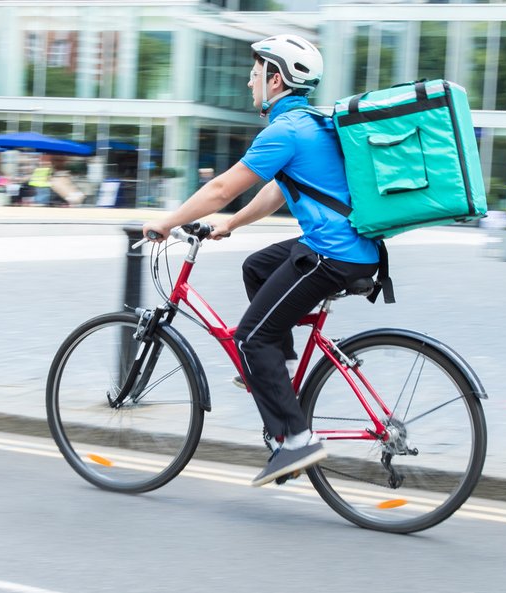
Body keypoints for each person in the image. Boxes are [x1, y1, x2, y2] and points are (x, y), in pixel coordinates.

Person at [142, 34, 380, 487]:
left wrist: (167, 222)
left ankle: (296, 440)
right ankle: (281, 370)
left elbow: (221, 189)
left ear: (275, 80)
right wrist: (231, 225)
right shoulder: (310, 123)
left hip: (332, 254)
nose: (249, 83)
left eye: (255, 75)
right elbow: (278, 190)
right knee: (257, 266)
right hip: (351, 248)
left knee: (250, 338)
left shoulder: (284, 130)